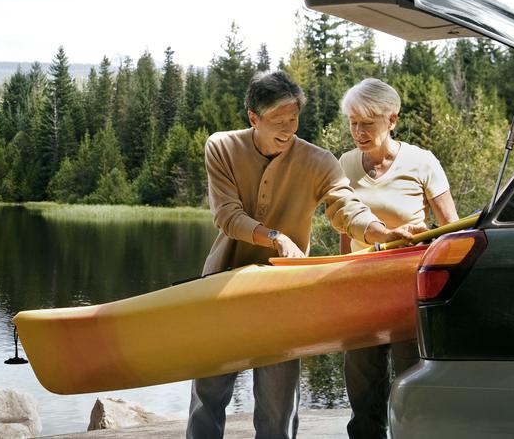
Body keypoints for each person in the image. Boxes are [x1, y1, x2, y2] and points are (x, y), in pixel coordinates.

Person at [186, 70, 426, 439]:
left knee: (279, 408)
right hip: (222, 285)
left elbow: (348, 210)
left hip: (286, 293)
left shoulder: (318, 161)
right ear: (254, 117)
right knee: (209, 396)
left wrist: (385, 232)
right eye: (278, 121)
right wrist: (276, 237)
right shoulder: (222, 147)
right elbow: (227, 215)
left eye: (294, 119)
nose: (288, 128)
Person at [337, 78, 459, 439]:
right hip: (361, 290)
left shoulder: (422, 162)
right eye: (352, 122)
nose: (358, 131)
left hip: (410, 291)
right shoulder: (345, 163)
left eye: (367, 123)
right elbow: (345, 232)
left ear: (391, 120)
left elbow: (450, 228)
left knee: (412, 385)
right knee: (362, 389)